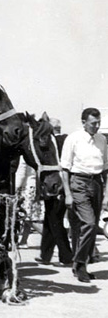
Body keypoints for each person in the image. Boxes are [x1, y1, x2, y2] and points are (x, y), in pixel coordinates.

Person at [60, 108, 108, 283]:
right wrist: (67, 194)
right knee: (88, 223)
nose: (97, 126)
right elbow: (64, 169)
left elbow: (106, 168)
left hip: (97, 183)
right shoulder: (73, 139)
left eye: (98, 122)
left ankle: (82, 265)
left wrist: (106, 194)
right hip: (78, 183)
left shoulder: (102, 140)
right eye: (93, 123)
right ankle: (79, 263)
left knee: (91, 227)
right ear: (83, 122)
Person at [36, 118, 73, 265]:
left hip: (55, 185)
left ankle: (66, 255)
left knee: (54, 219)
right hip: (63, 184)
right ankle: (45, 255)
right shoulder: (66, 140)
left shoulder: (52, 143)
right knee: (50, 218)